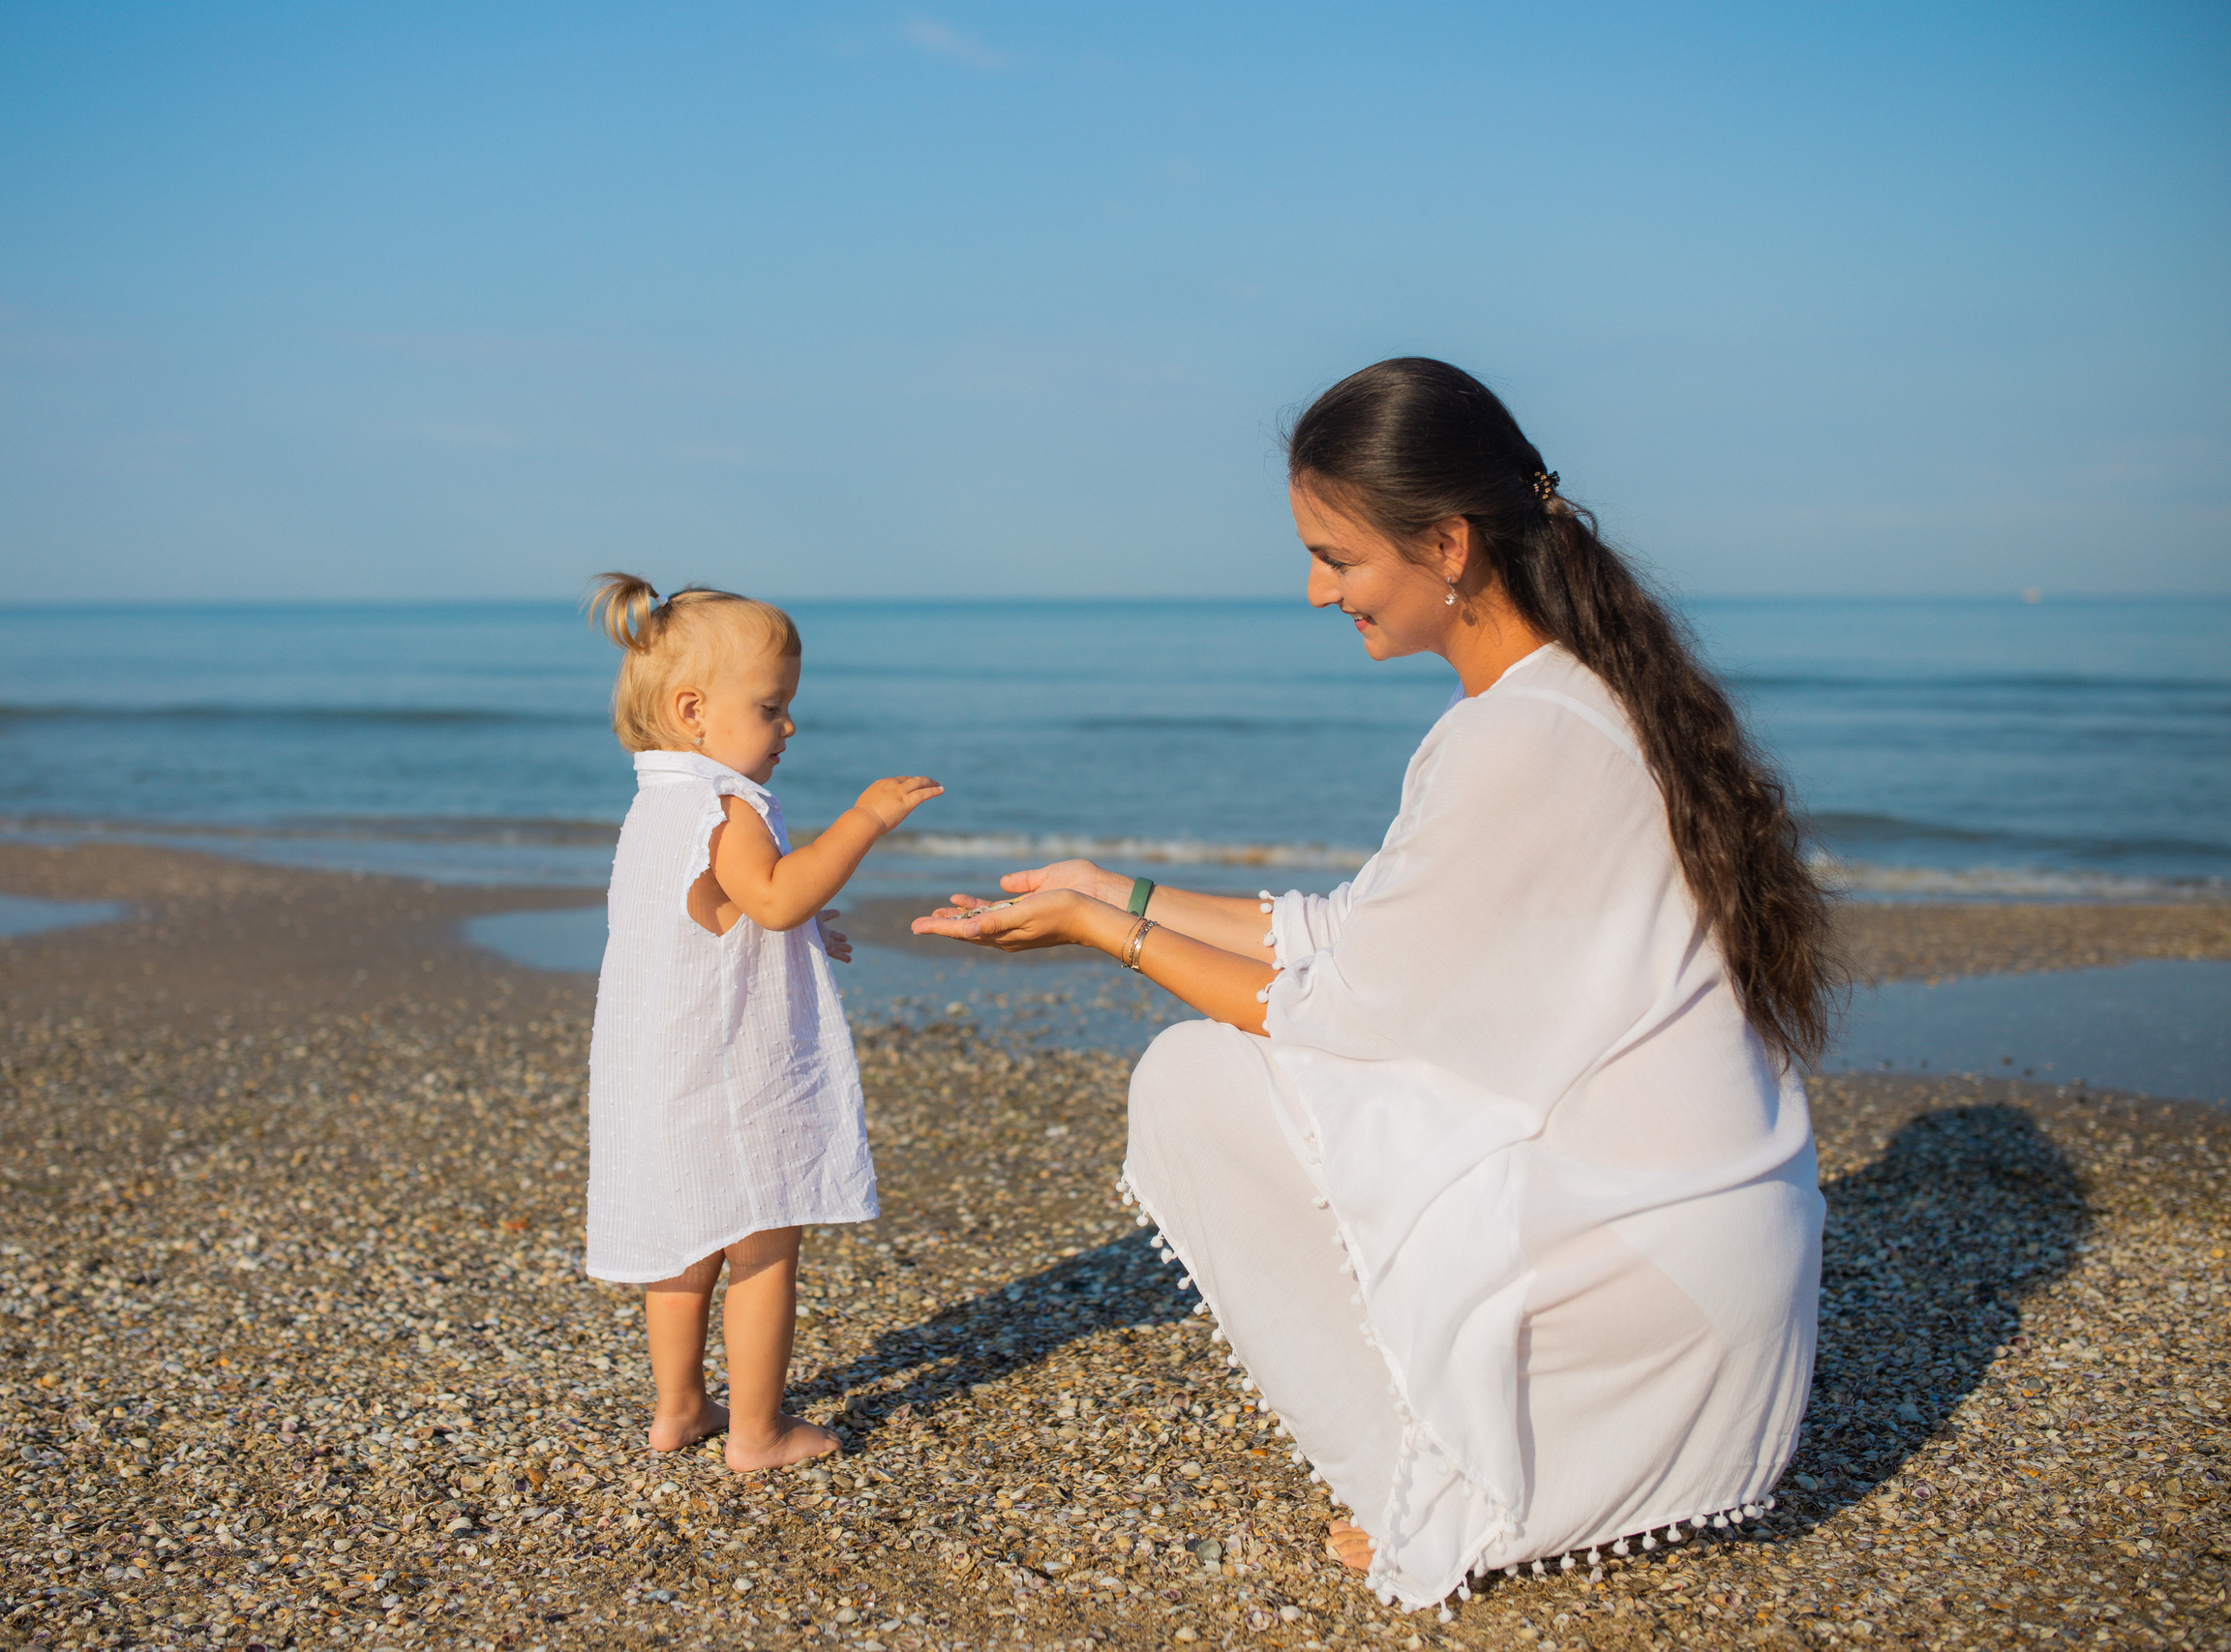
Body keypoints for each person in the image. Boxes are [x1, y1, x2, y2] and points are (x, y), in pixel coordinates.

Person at [913, 358, 1834, 1615]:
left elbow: (1335, 1007)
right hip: (1714, 1259)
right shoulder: (1576, 693)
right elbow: (1347, 937)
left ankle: (1443, 1486)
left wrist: (1094, 928)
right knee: (1330, 1081)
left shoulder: (1516, 733)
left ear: (1446, 543)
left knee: (1195, 1078)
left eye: (1335, 556)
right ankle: (1504, 1443)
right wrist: (1109, 885)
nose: (1314, 589)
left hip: (1651, 1279)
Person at [583, 574, 943, 1472]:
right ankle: (757, 1431)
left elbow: (712, 910)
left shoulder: (656, 804)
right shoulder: (727, 806)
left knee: (682, 1249)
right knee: (763, 1245)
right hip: (730, 1078)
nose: (789, 728)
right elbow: (773, 896)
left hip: (660, 1071)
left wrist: (801, 925)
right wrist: (863, 819)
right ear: (693, 710)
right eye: (773, 708)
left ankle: (677, 1409)